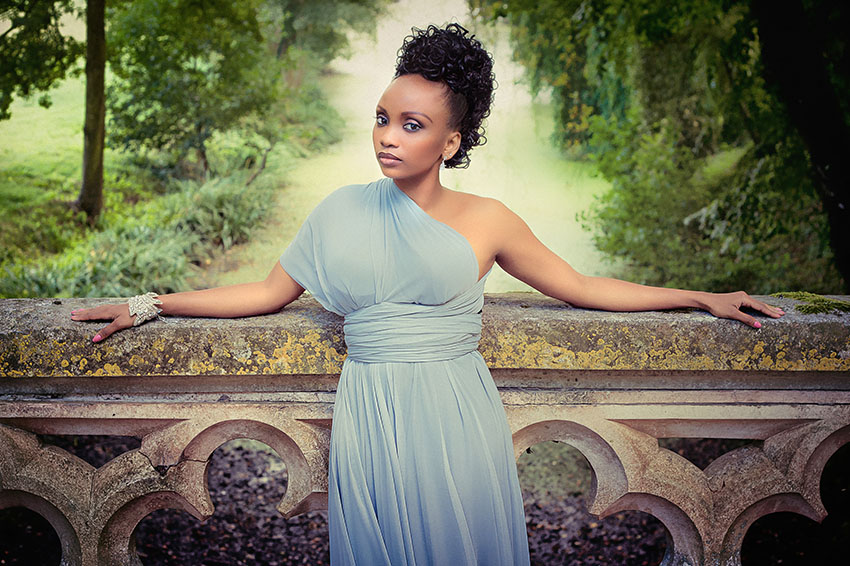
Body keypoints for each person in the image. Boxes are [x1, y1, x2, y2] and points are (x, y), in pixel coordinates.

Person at [71, 23, 784, 565]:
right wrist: (148, 304)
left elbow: (581, 285)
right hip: (371, 411)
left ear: (451, 141)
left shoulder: (488, 220)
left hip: (455, 412)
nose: (388, 137)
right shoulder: (339, 209)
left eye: (412, 125)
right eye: (383, 118)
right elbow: (264, 291)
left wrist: (699, 296)